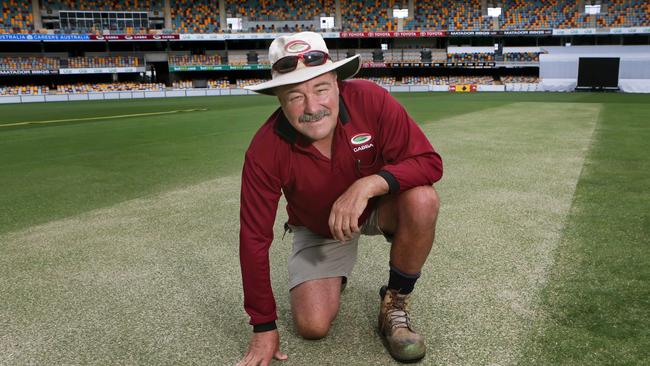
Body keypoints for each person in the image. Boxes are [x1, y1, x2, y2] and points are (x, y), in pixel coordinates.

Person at [237, 32, 442, 365]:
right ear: (278, 98)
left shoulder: (371, 100)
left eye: (320, 89)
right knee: (312, 325)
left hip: (377, 208)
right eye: (294, 96)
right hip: (319, 227)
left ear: (336, 81)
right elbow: (254, 238)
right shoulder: (264, 150)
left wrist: (368, 185)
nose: (312, 108)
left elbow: (429, 163)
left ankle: (395, 303)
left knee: (422, 200)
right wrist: (262, 325)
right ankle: (335, 275)